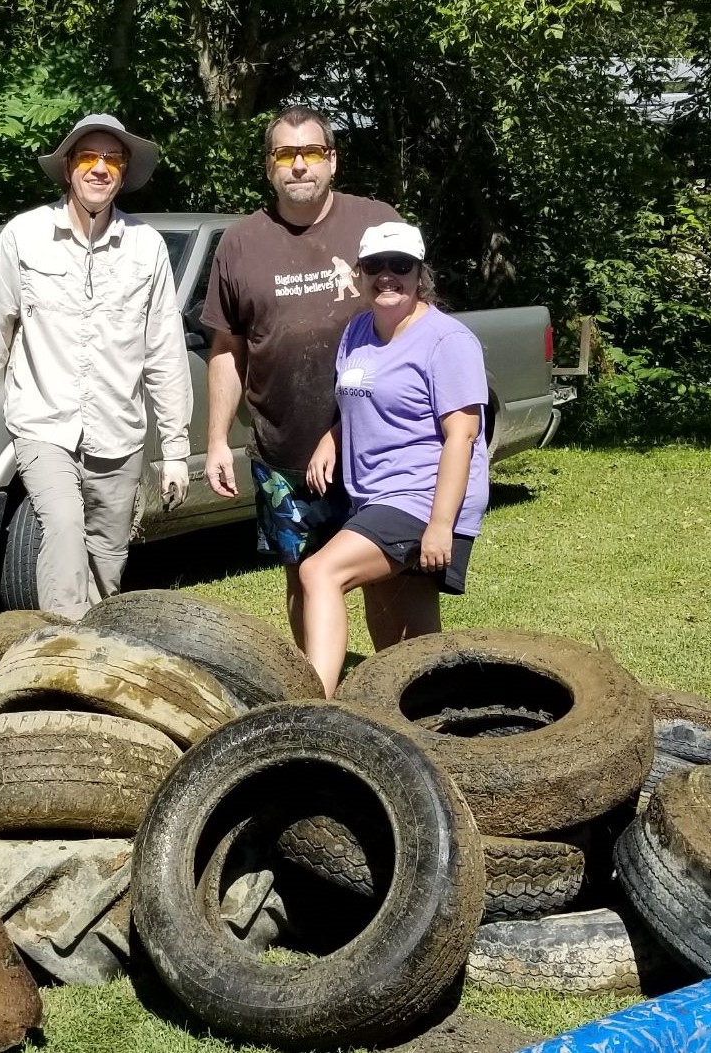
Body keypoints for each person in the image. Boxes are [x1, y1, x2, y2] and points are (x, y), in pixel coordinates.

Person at [0, 114, 191, 618]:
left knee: (107, 558)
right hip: (44, 425)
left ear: (124, 173)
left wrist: (174, 450)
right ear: (68, 168)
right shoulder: (24, 236)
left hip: (119, 432)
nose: (100, 168)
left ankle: (88, 657)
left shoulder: (146, 247)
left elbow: (165, 353)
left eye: (113, 159)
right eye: (89, 157)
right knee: (61, 527)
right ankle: (58, 651)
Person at [202, 103, 409, 648]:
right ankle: (318, 703)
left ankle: (388, 697)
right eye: (286, 154)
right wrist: (218, 439)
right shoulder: (240, 243)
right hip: (282, 449)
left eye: (312, 152)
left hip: (375, 445)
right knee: (303, 574)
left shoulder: (374, 223)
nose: (300, 165)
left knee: (384, 576)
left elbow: (414, 326)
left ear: (332, 161)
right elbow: (227, 346)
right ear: (269, 166)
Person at [300, 222, 489, 697]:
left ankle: (312, 706)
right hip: (374, 495)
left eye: (400, 266)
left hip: (421, 496)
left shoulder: (448, 341)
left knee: (319, 571)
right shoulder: (358, 330)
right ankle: (443, 725)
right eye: (376, 266)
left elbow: (461, 435)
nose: (388, 276)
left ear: (420, 273)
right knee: (401, 644)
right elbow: (358, 397)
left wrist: (440, 524)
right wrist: (332, 438)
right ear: (360, 274)